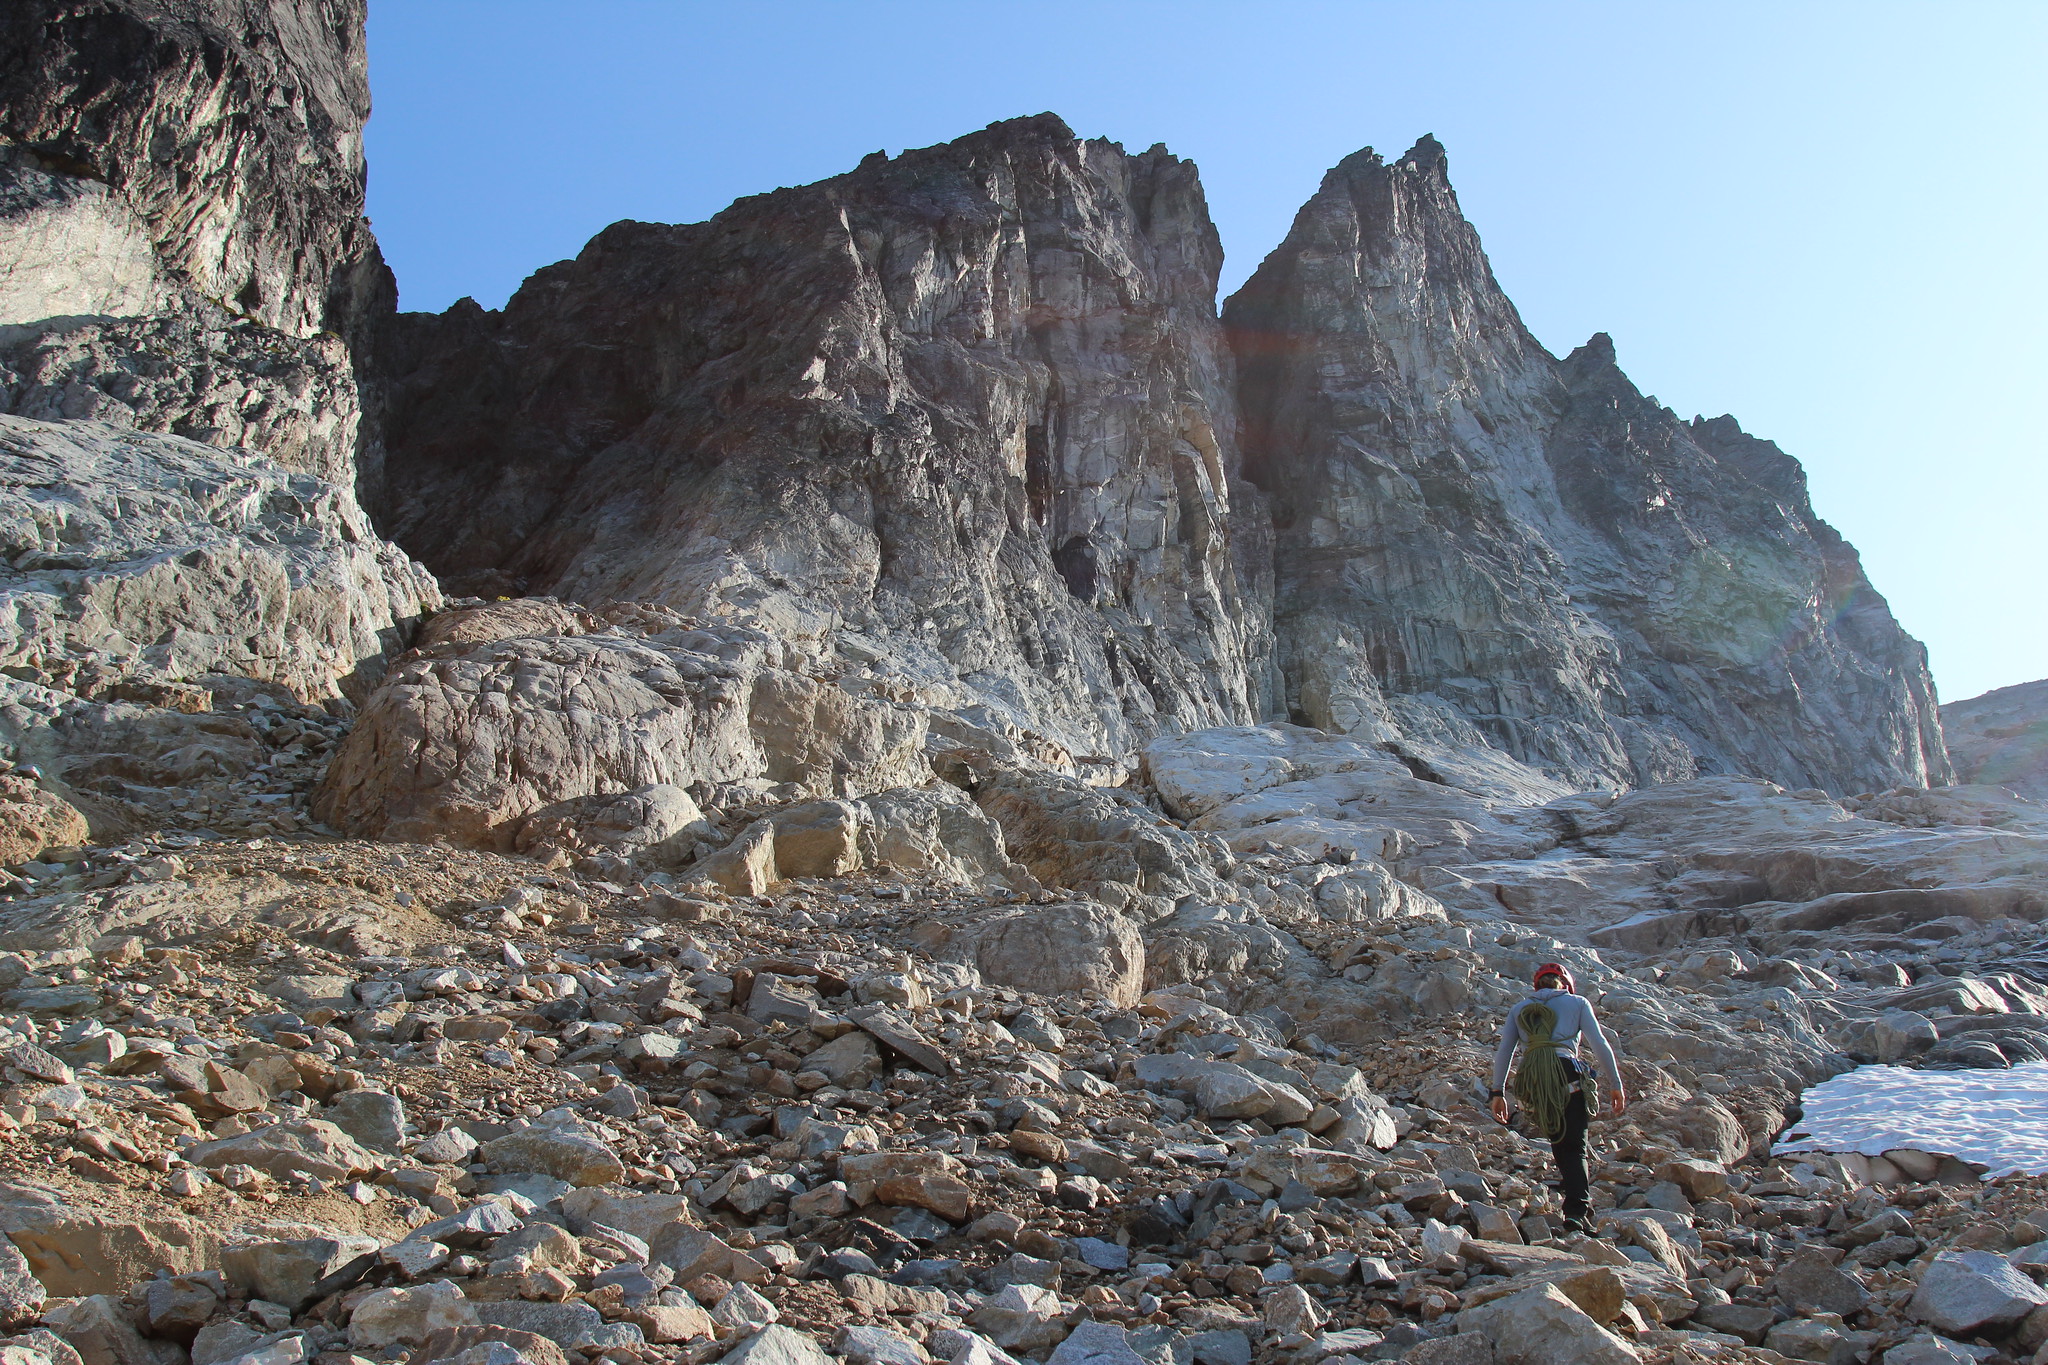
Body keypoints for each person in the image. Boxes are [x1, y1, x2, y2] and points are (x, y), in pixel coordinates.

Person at [1488, 962, 1626, 1231]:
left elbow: (1505, 1051)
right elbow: (1599, 1042)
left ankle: (1574, 1199)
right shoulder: (1578, 1003)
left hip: (1534, 1078)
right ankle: (1576, 1211)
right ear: (1565, 984)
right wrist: (1615, 1084)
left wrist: (1497, 1092)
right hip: (1566, 1072)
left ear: (1537, 985)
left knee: (1560, 1140)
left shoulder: (1519, 1009)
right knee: (1576, 1146)